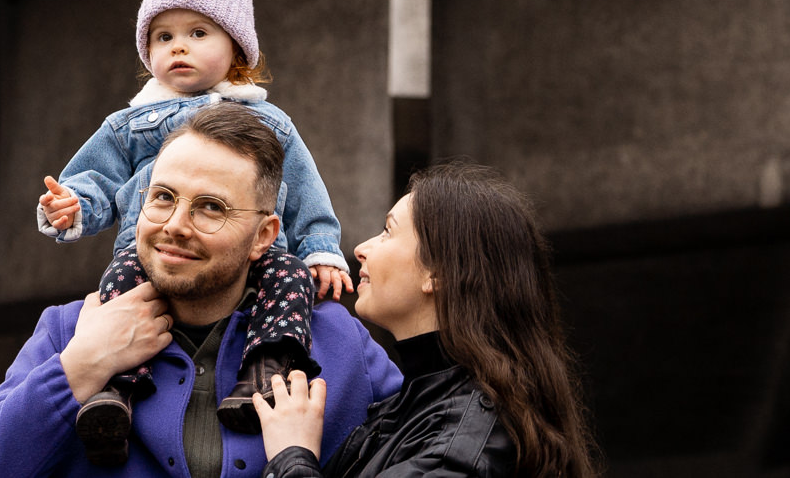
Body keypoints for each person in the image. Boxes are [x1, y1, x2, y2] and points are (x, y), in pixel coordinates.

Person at [0, 103, 402, 478]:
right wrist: (80, 366)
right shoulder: (69, 331)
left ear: (264, 236)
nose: (174, 225)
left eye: (211, 207)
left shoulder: (338, 340)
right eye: (162, 197)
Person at [36, 0, 354, 458]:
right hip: (150, 259)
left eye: (198, 33)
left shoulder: (269, 123)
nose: (178, 47)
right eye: (163, 37)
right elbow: (94, 180)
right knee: (120, 294)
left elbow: (304, 191)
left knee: (291, 277)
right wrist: (72, 207)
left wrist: (320, 249)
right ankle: (114, 391)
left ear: (238, 50)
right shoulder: (130, 125)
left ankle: (266, 371)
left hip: (251, 261)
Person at [250, 165, 597, 478]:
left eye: (387, 231)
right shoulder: (418, 406)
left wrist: (292, 457)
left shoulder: (464, 442)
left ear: (437, 273)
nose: (361, 248)